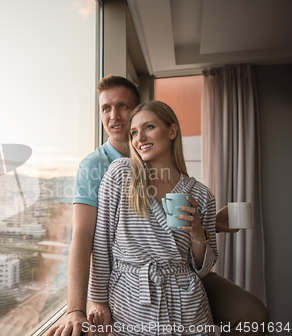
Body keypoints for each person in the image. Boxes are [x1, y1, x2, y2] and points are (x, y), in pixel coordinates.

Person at [46, 75, 269, 336]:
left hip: (185, 291)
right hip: (132, 294)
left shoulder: (200, 192)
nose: (115, 116)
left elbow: (196, 258)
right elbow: (88, 238)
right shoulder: (107, 169)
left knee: (255, 314)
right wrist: (86, 304)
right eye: (106, 108)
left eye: (124, 108)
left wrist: (204, 229)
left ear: (170, 129)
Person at [88, 100, 217, 335]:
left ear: (172, 131)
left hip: (186, 305)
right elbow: (101, 243)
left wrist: (198, 233)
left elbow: (204, 268)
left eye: (149, 127)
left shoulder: (200, 194)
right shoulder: (121, 174)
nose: (139, 138)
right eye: (134, 132)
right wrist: (98, 300)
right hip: (130, 301)